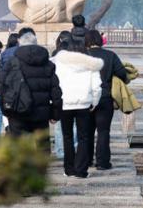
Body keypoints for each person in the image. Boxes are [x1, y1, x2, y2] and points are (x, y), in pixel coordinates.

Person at [0, 29, 62, 146]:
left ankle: (22, 164)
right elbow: (56, 91)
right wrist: (55, 113)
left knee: (18, 146)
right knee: (42, 146)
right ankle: (41, 164)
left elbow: (2, 88)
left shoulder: (11, 63)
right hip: (41, 112)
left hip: (17, 110)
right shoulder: (48, 64)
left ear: (20, 43)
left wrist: (5, 110)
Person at [52, 37, 102, 178]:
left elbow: (55, 84)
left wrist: (54, 103)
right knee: (83, 137)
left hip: (65, 103)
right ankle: (81, 170)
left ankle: (69, 169)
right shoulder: (90, 64)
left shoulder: (59, 64)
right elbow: (97, 87)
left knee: (67, 137)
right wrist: (95, 102)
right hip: (84, 103)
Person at [86, 29, 129, 169]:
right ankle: (102, 163)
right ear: (99, 40)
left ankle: (86, 161)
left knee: (86, 132)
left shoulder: (82, 56)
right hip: (105, 97)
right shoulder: (110, 55)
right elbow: (122, 73)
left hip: (86, 98)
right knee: (103, 131)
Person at [51, 31, 76, 159]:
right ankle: (74, 148)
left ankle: (60, 151)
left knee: (59, 127)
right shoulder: (76, 60)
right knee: (74, 126)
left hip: (59, 97)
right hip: (74, 96)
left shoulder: (53, 60)